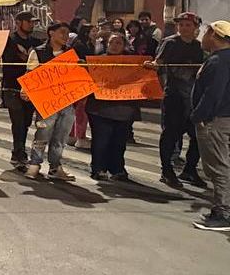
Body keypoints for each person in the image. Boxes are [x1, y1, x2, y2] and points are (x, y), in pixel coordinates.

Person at [146, 12, 206, 188]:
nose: (184, 28)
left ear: (195, 28)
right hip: (174, 96)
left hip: (193, 96)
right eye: (181, 25)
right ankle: (166, 170)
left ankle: (189, 169)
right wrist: (153, 65)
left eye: (188, 25)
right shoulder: (170, 42)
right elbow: (159, 62)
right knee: (171, 134)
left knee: (196, 136)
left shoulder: (198, 46)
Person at [23, 21, 78, 181]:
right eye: (62, 32)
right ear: (51, 33)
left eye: (68, 33)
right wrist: (25, 90)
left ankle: (55, 167)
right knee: (42, 133)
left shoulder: (70, 54)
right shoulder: (38, 52)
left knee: (61, 137)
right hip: (46, 103)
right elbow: (30, 74)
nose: (65, 36)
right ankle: (34, 164)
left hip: (67, 103)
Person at [192, 20, 230, 231]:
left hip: (215, 120)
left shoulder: (218, 61)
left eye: (205, 32)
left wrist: (198, 115)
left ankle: (223, 212)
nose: (202, 37)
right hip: (224, 117)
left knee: (217, 166)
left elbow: (212, 94)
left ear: (214, 36)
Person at [86, 33, 139, 181]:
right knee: (101, 140)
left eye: (118, 43)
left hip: (123, 109)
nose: (115, 46)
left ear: (124, 45)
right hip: (100, 109)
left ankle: (117, 168)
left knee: (119, 142)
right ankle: (98, 168)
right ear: (106, 44)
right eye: (112, 42)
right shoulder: (97, 61)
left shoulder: (132, 63)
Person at [0, 11, 39, 169]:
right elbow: (6, 62)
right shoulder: (9, 41)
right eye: (29, 21)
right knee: (18, 122)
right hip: (12, 87)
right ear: (19, 22)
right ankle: (19, 153)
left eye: (33, 22)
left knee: (26, 122)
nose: (31, 24)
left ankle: (18, 153)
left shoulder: (36, 42)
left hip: (31, 88)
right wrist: (24, 58)